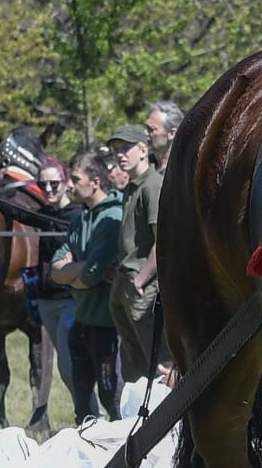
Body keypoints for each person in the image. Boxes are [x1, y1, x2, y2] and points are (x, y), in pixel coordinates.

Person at [51, 148, 124, 420]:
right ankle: (88, 443)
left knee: (111, 395)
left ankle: (122, 449)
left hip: (107, 325)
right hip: (81, 321)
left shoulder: (112, 219)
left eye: (75, 178)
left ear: (95, 182)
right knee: (80, 393)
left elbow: (93, 273)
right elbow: (56, 268)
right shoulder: (80, 218)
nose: (69, 185)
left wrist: (74, 273)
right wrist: (79, 274)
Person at [106, 124, 164, 383]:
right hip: (124, 283)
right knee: (133, 365)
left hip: (143, 286)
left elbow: (162, 240)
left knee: (159, 362)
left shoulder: (153, 185)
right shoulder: (132, 187)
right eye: (116, 149)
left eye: (126, 148)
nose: (120, 155)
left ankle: (167, 419)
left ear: (143, 149)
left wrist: (141, 280)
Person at [30, 160, 79, 409]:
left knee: (68, 366)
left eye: (53, 183)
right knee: (66, 365)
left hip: (70, 299)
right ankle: (86, 411)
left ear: (66, 182)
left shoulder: (77, 214)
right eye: (42, 184)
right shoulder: (45, 215)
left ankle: (89, 412)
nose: (48, 189)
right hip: (46, 301)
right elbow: (16, 212)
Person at [145, 100, 184, 171]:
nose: (146, 133)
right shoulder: (145, 166)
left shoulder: (184, 168)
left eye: (151, 129)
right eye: (146, 128)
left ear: (172, 133)